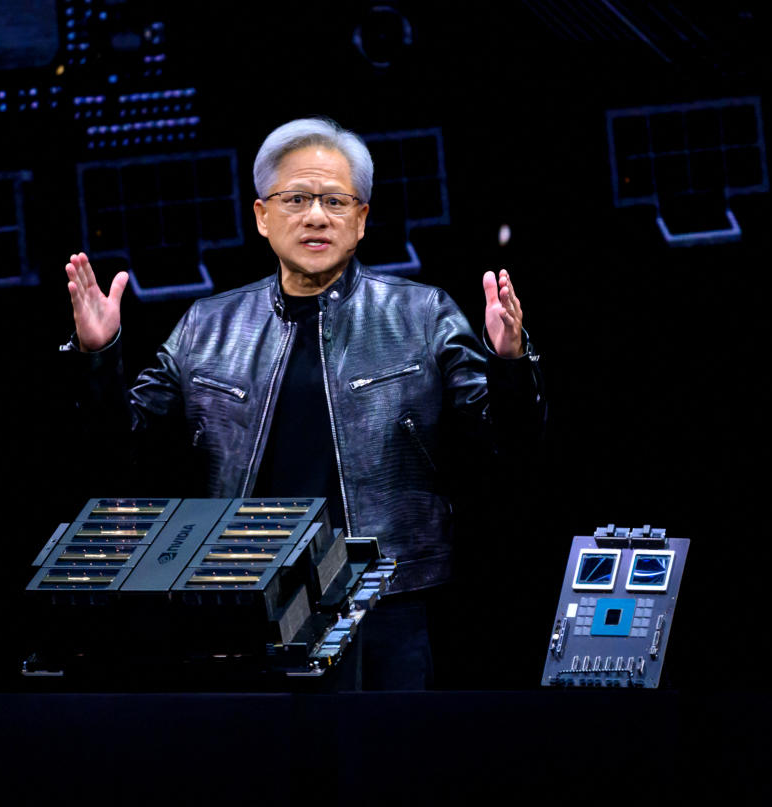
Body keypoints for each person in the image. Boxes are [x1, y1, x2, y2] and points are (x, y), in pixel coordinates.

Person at [63, 117, 544, 688]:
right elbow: (116, 453)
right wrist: (98, 356)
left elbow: (509, 444)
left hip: (389, 600)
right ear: (262, 216)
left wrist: (509, 362)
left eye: (336, 201)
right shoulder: (206, 326)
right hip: (243, 604)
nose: (316, 216)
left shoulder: (423, 315)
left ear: (362, 219)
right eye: (296, 199)